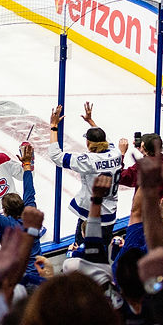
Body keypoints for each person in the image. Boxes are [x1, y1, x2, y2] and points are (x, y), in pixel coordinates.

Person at [46, 103, 123, 245]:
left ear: (88, 143)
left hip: (91, 216)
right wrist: (90, 122)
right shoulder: (116, 153)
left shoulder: (89, 161)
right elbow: (106, 140)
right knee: (102, 252)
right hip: (109, 214)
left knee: (83, 252)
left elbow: (56, 156)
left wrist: (53, 127)